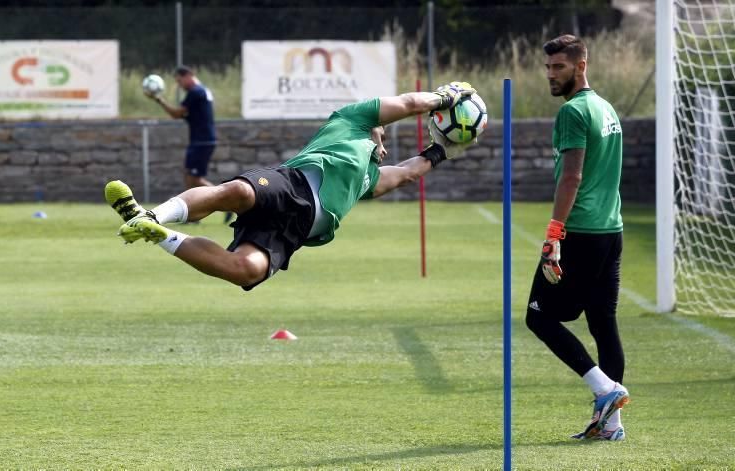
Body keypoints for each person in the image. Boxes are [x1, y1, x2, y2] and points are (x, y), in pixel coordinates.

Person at [105, 82, 474, 290]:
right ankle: (151, 213)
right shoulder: (353, 120)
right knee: (237, 193)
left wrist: (442, 150)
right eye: (384, 136)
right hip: (291, 182)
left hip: (294, 230)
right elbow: (410, 103)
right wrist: (445, 97)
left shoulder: (368, 179)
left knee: (245, 270)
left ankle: (156, 232)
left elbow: (408, 171)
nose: (385, 146)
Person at [524, 35, 629, 441]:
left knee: (538, 316)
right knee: (603, 323)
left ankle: (605, 390)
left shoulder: (574, 111)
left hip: (581, 233)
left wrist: (554, 235)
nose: (551, 74)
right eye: (548, 67)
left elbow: (572, 176)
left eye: (559, 67)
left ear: (580, 66)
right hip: (611, 232)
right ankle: (611, 425)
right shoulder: (606, 108)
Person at [147, 66, 217, 190]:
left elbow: (177, 113)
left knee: (194, 179)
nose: (180, 85)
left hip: (201, 141)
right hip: (202, 140)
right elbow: (182, 114)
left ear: (189, 75)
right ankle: (192, 207)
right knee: (189, 176)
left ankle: (224, 199)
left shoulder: (195, 92)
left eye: (180, 81)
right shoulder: (203, 90)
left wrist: (159, 100)